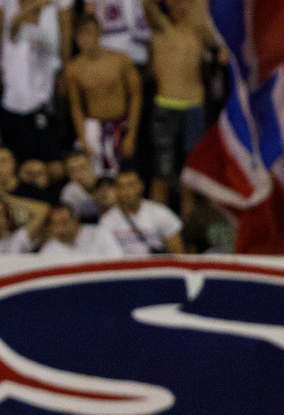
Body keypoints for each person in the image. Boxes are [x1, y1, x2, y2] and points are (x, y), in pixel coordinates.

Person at [146, 0, 220, 207]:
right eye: (174, 3)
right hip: (166, 105)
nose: (180, 7)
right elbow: (148, 5)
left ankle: (190, 232)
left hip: (194, 108)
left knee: (191, 175)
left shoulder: (199, 33)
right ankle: (156, 232)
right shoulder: (161, 29)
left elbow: (213, 34)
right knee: (161, 174)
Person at [0, 0, 66, 164]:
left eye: (36, 12)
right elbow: (14, 26)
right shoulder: (15, 33)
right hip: (13, 105)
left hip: (40, 104)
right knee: (18, 159)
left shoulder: (45, 35)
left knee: (42, 159)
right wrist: (37, 4)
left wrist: (34, 8)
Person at [63, 15, 140, 177]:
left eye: (89, 33)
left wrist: (131, 134)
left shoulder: (120, 60)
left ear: (99, 34)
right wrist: (82, 137)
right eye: (81, 35)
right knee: (97, 176)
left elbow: (135, 96)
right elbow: (75, 106)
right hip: (94, 128)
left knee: (125, 174)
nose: (85, 39)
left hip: (121, 125)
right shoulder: (73, 69)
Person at [98, 169, 183, 253]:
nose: (126, 190)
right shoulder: (107, 220)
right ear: (116, 190)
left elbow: (177, 251)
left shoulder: (159, 212)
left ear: (140, 185)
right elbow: (107, 254)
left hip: (157, 265)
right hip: (126, 265)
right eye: (121, 186)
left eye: (130, 185)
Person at [37, 201, 124, 255]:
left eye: (64, 222)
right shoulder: (48, 251)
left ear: (75, 220)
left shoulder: (100, 233)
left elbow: (116, 259)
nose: (61, 229)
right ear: (50, 228)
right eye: (56, 224)